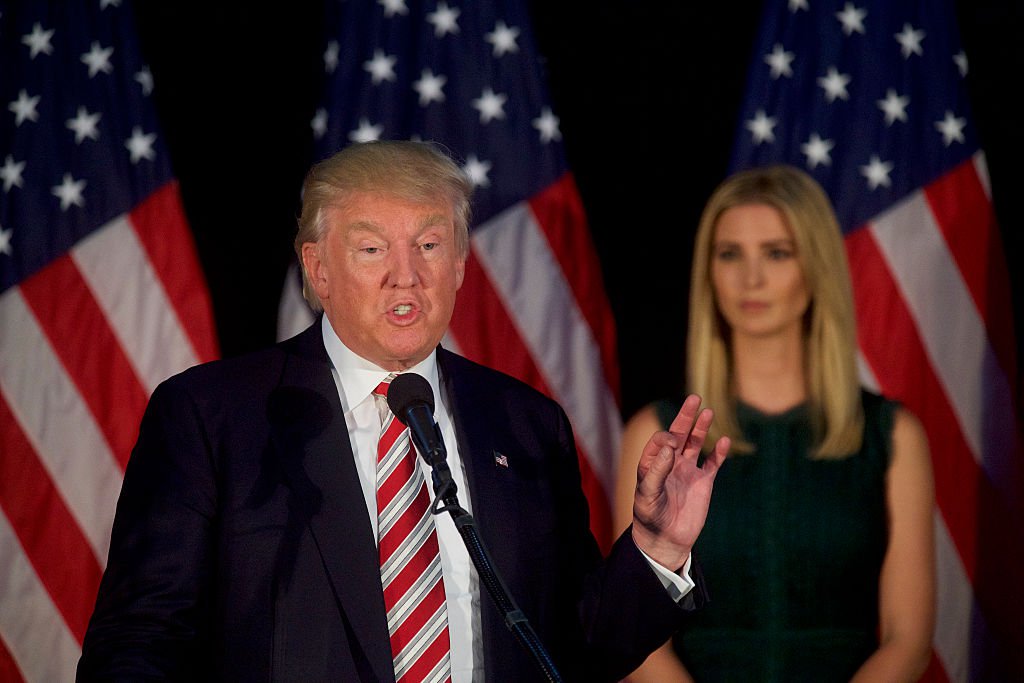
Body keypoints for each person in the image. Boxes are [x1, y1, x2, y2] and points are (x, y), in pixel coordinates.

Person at [77, 139, 730, 683]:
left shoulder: (525, 424)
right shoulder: (211, 416)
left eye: (428, 245)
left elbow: (576, 648)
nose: (405, 275)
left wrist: (656, 545)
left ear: (460, 265)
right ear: (318, 268)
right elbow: (139, 642)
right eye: (371, 249)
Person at [613, 165, 936, 682]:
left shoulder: (892, 437)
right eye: (730, 254)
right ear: (709, 272)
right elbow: (639, 644)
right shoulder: (656, 435)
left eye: (777, 253)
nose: (751, 278)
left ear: (816, 268)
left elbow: (909, 641)